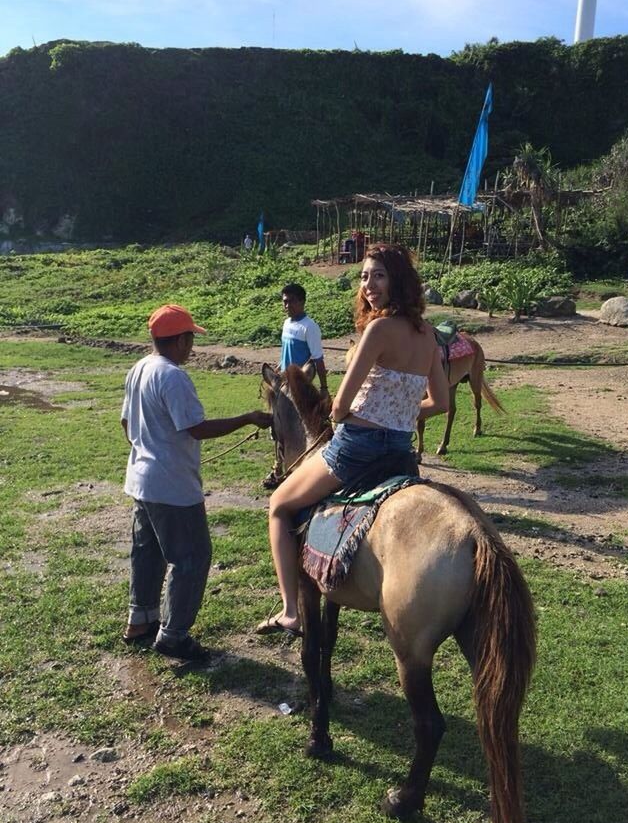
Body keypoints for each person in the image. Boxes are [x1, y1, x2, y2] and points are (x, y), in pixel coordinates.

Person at [256, 244, 449, 638]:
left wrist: (346, 414)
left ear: (398, 280)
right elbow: (441, 402)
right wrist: (402, 413)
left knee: (278, 505)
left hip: (355, 448)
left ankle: (291, 610)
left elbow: (341, 403)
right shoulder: (428, 335)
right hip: (399, 452)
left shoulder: (377, 329)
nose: (369, 284)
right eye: (364, 276)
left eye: (378, 275)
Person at [121, 303, 271, 661]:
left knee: (148, 553)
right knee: (192, 557)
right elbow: (197, 428)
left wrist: (149, 447)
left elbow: (127, 425)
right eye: (191, 339)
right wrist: (248, 418)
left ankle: (139, 621)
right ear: (178, 340)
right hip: (172, 487)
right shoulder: (173, 376)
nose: (192, 347)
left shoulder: (139, 367)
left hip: (142, 481)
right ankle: (172, 636)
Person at [262, 282, 329, 490]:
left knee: (302, 426)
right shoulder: (287, 324)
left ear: (301, 301)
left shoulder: (309, 327)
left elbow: (318, 358)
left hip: (301, 385)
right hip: (283, 382)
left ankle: (303, 462)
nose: (287, 305)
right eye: (284, 302)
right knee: (278, 425)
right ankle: (278, 466)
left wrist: (324, 387)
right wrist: (279, 369)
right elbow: (285, 353)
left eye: (291, 301)